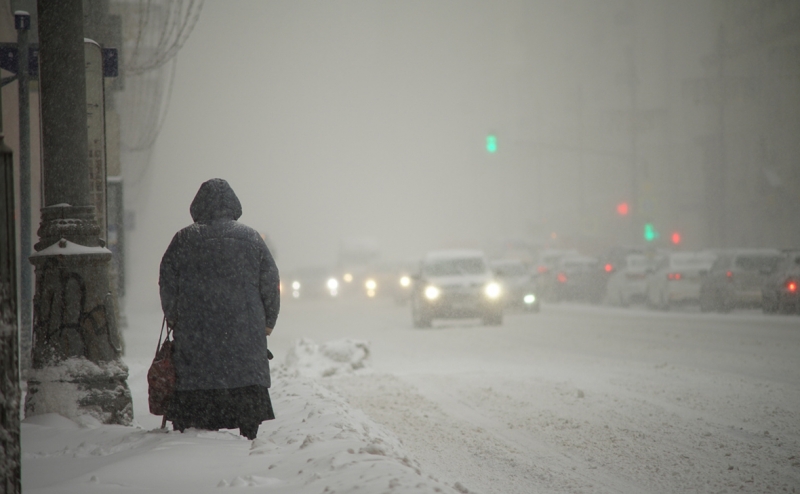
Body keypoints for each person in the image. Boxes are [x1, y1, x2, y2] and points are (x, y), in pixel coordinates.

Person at [159, 178, 280, 439]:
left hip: (196, 335)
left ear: (197, 206)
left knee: (197, 379)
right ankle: (247, 423)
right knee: (244, 381)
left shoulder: (183, 239)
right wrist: (267, 321)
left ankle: (198, 421)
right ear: (234, 205)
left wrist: (175, 318)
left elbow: (167, 282)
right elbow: (270, 282)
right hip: (244, 336)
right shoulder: (251, 238)